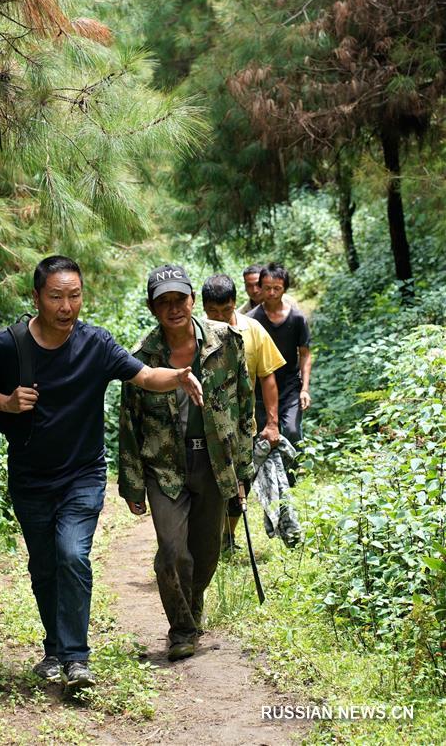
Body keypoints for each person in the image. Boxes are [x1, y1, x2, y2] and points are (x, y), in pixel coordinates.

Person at [0, 255, 202, 691]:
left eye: (74, 296)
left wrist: (179, 377)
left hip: (83, 474)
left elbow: (145, 375)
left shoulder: (96, 344)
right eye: (56, 296)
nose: (66, 306)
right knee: (44, 564)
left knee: (72, 555)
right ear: (37, 297)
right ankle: (54, 650)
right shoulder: (7, 344)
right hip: (30, 475)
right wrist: (5, 402)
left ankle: (76, 658)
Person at [119, 264, 253, 661]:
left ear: (193, 300)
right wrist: (132, 484)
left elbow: (244, 404)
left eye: (180, 299)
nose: (174, 308)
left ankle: (192, 611)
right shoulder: (141, 358)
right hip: (165, 466)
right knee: (172, 551)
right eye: (165, 302)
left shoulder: (226, 342)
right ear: (152, 307)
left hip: (214, 460)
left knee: (207, 550)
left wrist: (242, 468)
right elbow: (129, 423)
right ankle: (181, 629)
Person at [202, 273, 286, 549]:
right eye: (212, 312)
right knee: (209, 487)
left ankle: (227, 536)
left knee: (241, 484)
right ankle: (208, 537)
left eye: (226, 310)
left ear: (235, 303)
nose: (220, 317)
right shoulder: (195, 333)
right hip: (206, 428)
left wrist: (272, 423)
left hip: (242, 427)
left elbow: (268, 378)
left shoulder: (253, 330)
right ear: (202, 308)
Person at [247, 263, 311, 458]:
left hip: (290, 386)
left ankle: (296, 475)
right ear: (260, 287)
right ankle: (267, 482)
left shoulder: (297, 319)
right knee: (262, 437)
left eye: (277, 288)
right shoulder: (252, 320)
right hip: (261, 388)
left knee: (292, 431)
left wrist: (304, 389)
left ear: (285, 289)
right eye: (267, 288)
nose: (272, 293)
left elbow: (305, 354)